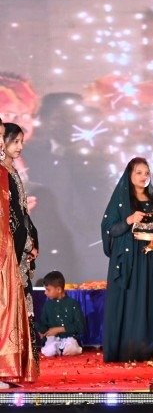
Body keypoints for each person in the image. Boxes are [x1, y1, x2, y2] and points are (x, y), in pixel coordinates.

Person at [101, 157, 153, 362]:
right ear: (129, 175)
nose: (144, 176)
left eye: (147, 173)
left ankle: (152, 349)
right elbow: (110, 229)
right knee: (131, 301)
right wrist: (129, 220)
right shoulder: (121, 201)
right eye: (139, 172)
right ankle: (128, 349)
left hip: (152, 259)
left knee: (152, 300)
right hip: (129, 260)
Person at [0, 119, 38, 386]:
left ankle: (10, 368)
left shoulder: (8, 172)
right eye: (12, 140)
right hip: (6, 249)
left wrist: (30, 241)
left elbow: (18, 213)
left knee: (13, 307)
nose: (18, 146)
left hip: (11, 249)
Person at [35, 270, 85, 357]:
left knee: (71, 349)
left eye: (48, 290)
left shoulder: (73, 304)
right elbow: (44, 324)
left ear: (58, 289)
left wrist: (59, 329)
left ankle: (64, 349)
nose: (45, 292)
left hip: (69, 338)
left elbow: (79, 326)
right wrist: (41, 330)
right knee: (49, 352)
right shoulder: (47, 305)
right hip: (53, 339)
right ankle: (57, 349)